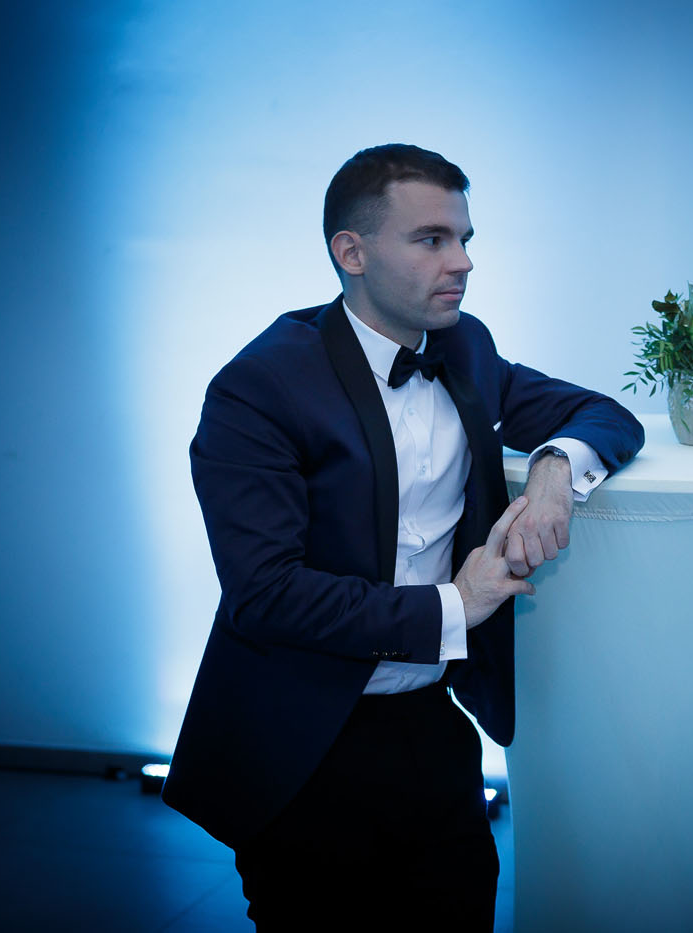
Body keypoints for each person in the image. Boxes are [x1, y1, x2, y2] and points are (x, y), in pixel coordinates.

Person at [162, 144, 644, 930]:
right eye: (431, 240)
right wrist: (458, 604)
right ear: (351, 253)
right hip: (302, 739)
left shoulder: (465, 346)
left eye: (465, 238)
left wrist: (555, 468)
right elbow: (266, 593)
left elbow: (605, 414)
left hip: (430, 724)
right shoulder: (260, 387)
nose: (463, 262)